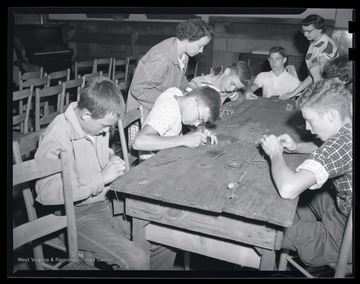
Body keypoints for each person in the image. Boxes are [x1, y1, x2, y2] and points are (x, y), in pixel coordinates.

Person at [35, 76, 177, 270]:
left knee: (165, 238)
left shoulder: (94, 126)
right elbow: (45, 192)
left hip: (107, 203)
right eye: (104, 126)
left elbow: (97, 150)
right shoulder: (58, 135)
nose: (107, 132)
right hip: (76, 216)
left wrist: (111, 158)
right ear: (85, 115)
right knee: (136, 260)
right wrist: (100, 178)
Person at [259, 78, 352, 267]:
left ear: (331, 115)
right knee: (303, 198)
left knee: (267, 229)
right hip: (343, 208)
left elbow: (288, 188)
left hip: (348, 233)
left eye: (310, 120)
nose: (308, 127)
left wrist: (275, 152)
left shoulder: (343, 144)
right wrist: (297, 147)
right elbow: (330, 149)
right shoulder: (347, 126)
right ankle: (309, 226)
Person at [126, 18, 214, 146]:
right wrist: (171, 102)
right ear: (188, 39)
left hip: (163, 111)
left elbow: (181, 80)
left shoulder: (184, 56)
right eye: (200, 46)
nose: (201, 51)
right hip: (141, 112)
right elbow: (138, 89)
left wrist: (193, 96)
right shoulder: (163, 57)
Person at [132, 86, 221, 161]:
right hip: (152, 164)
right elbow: (138, 142)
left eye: (201, 122)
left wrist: (199, 130)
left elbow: (177, 119)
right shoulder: (169, 110)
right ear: (191, 101)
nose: (197, 124)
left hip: (168, 156)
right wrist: (184, 140)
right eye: (199, 118)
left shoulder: (177, 94)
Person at [280, 14, 339, 100]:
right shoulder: (313, 41)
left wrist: (295, 92)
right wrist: (294, 92)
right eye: (303, 31)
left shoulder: (327, 47)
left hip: (326, 90)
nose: (305, 34)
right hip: (317, 83)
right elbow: (313, 74)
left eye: (308, 31)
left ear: (320, 29)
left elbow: (316, 75)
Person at [185, 61, 253, 116]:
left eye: (236, 89)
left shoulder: (227, 91)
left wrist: (228, 105)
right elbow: (184, 106)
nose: (231, 90)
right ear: (227, 72)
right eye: (232, 84)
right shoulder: (198, 83)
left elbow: (241, 98)